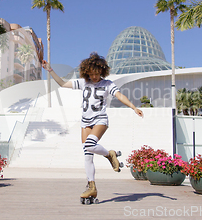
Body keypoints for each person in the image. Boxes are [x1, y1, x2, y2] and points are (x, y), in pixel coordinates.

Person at [42, 52, 143, 203]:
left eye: (97, 74)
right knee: (88, 155)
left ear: (102, 71)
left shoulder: (107, 84)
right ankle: (91, 187)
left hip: (100, 119)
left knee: (90, 145)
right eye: (91, 74)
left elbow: (120, 96)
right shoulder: (84, 83)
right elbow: (62, 84)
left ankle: (109, 154)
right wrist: (50, 70)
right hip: (85, 122)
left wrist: (134, 107)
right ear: (87, 72)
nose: (94, 77)